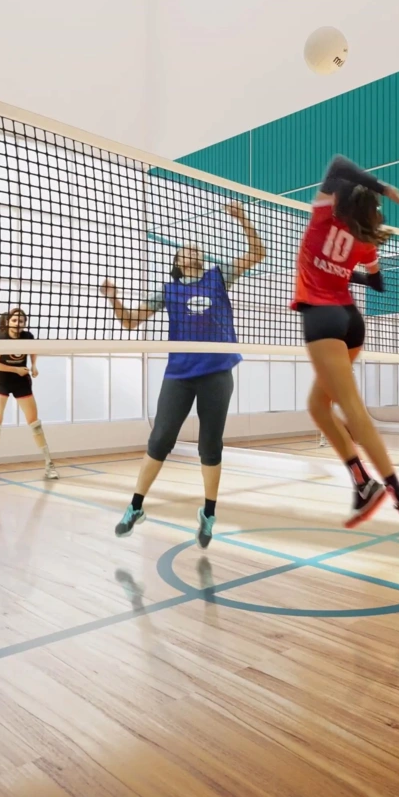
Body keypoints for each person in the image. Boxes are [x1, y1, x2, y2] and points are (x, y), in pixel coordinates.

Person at [102, 200, 265, 548]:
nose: (190, 248)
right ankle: (135, 507)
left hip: (217, 372)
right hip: (179, 374)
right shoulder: (168, 291)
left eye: (194, 247)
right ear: (177, 262)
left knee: (211, 445)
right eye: (184, 249)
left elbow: (258, 252)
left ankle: (208, 513)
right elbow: (130, 321)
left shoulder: (218, 277)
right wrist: (114, 299)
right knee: (160, 440)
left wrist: (242, 219)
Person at [293, 154, 399, 530]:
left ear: (339, 199)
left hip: (322, 319)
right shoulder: (364, 243)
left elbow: (335, 164)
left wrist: (381, 186)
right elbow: (378, 284)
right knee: (318, 407)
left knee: (351, 408)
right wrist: (343, 275)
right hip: (351, 321)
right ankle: (361, 481)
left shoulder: (322, 217)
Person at [0, 307, 59, 483]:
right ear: (8, 321)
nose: (18, 324)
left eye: (21, 321)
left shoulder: (28, 337)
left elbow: (33, 350)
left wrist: (33, 365)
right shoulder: (0, 339)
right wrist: (16, 369)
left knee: (35, 424)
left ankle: (49, 465)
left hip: (21, 382)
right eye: (15, 320)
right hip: (2, 381)